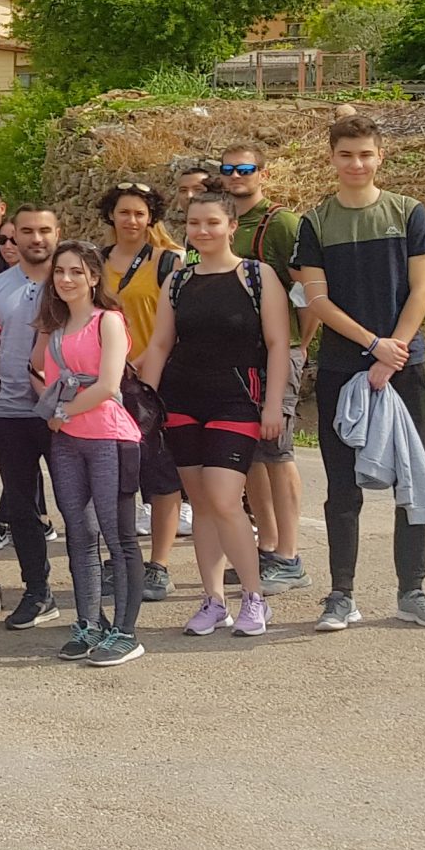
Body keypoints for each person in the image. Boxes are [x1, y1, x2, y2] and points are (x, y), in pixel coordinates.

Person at [297, 114, 425, 632]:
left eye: (365, 154)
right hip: (343, 366)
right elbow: (317, 299)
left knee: (413, 476)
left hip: (405, 366)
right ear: (332, 159)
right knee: (343, 486)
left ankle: (414, 591)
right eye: (345, 155)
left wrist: (394, 350)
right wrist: (372, 345)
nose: (355, 163)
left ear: (380, 155)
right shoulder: (315, 223)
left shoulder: (408, 213)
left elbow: (421, 290)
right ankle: (341, 595)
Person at [143, 194, 291, 639]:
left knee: (226, 500)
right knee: (202, 503)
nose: (202, 231)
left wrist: (272, 405)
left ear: (230, 226)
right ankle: (213, 600)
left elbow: (279, 344)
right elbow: (160, 345)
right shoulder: (178, 280)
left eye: (212, 222)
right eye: (193, 223)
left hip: (237, 400)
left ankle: (253, 597)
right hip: (182, 399)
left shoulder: (256, 276)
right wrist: (141, 404)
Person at [32, 242, 147, 666]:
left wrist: (62, 411)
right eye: (60, 271)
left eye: (76, 272)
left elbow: (107, 385)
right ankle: (88, 623)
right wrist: (58, 413)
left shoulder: (108, 322)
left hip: (108, 438)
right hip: (67, 440)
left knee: (120, 537)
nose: (66, 279)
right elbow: (47, 375)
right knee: (79, 535)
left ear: (94, 278)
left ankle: (126, 631)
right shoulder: (58, 329)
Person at [219, 143, 310, 592]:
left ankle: (290, 554)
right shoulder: (226, 222)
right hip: (237, 355)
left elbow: (309, 289)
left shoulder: (281, 224)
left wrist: (300, 344)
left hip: (278, 351)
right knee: (250, 454)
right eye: (229, 169)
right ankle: (269, 546)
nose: (237, 176)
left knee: (278, 451)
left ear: (262, 173)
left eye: (245, 169)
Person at [101, 180, 188, 601]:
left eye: (139, 213)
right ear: (111, 216)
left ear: (151, 217)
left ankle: (159, 564)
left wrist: (146, 370)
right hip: (105, 383)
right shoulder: (94, 262)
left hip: (154, 381)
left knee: (160, 473)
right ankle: (121, 558)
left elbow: (176, 325)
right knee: (116, 474)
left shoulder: (167, 262)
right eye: (123, 212)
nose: (131, 220)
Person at [0, 204, 67, 632]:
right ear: (12, 236)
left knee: (77, 505)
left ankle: (89, 594)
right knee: (19, 507)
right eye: (27, 231)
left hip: (67, 415)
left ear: (58, 232)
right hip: (11, 414)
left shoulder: (77, 285)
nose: (37, 239)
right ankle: (38, 591)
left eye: (45, 230)